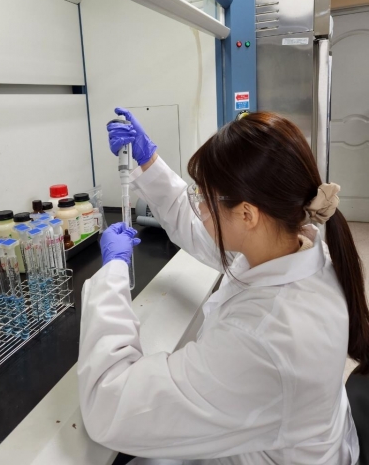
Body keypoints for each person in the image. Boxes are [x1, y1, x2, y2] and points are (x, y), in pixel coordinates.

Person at [78, 108, 369, 465]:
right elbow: (206, 230)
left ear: (247, 214)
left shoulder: (266, 338)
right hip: (300, 438)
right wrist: (149, 162)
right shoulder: (300, 246)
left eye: (204, 196)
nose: (198, 205)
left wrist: (112, 275)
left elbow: (109, 405)